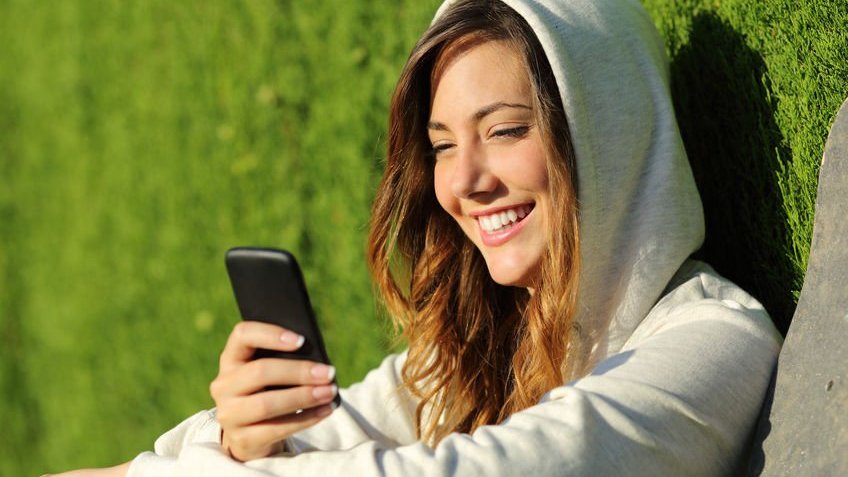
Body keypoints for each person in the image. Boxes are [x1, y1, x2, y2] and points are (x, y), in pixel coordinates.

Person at [47, 0, 782, 475]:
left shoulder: (714, 342)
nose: (465, 183)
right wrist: (242, 438)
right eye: (441, 146)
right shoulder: (477, 358)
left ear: (609, 135)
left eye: (504, 131)